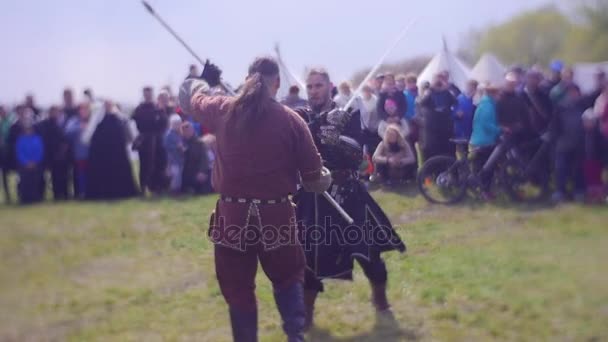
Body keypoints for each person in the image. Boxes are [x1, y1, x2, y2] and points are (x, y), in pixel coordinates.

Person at [182, 56, 329, 342]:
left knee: (238, 290)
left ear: (247, 79)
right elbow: (314, 179)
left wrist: (205, 82)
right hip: (277, 217)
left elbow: (190, 96)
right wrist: (322, 175)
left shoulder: (222, 108)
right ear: (277, 83)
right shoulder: (291, 120)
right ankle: (295, 337)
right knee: (287, 280)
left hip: (233, 218)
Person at [294, 68, 406, 331]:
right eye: (309, 86)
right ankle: (307, 312)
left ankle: (380, 300)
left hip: (347, 192)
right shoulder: (300, 118)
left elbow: (358, 156)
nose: (313, 90)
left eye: (318, 85)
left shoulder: (348, 115)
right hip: (314, 196)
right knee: (309, 257)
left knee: (369, 252)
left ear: (329, 86)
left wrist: (338, 138)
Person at [86, 101, 137, 200]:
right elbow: (90, 138)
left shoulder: (120, 119)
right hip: (102, 155)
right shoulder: (98, 120)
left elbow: (128, 136)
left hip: (118, 154)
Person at [550, 84, 587, 203]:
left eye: (575, 92)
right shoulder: (560, 107)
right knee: (561, 169)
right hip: (563, 144)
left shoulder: (583, 105)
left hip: (579, 144)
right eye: (570, 92)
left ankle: (578, 191)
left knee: (578, 169)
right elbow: (554, 126)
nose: (573, 94)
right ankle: (560, 192)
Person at [132, 86, 168, 195]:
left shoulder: (157, 108)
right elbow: (135, 124)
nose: (148, 96)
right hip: (144, 140)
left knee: (157, 164)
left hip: (157, 140)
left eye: (149, 94)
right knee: (144, 164)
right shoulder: (139, 108)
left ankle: (156, 187)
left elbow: (163, 124)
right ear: (144, 94)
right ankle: (143, 187)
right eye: (146, 94)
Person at [469, 83, 502, 198]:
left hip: (483, 139)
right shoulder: (487, 106)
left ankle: (484, 191)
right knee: (486, 169)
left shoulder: (487, 104)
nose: (500, 96)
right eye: (499, 94)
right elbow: (486, 124)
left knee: (484, 167)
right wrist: (500, 130)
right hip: (484, 141)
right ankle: (484, 192)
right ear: (493, 94)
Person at [418, 73, 457, 161]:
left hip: (446, 129)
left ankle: (448, 172)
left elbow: (455, 101)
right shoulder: (428, 92)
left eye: (441, 79)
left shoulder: (448, 92)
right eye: (437, 79)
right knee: (432, 155)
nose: (439, 82)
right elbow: (422, 102)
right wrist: (431, 89)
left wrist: (446, 88)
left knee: (447, 154)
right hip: (432, 131)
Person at [39, 105, 70, 200]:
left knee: (65, 176)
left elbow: (66, 138)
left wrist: (63, 150)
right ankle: (57, 194)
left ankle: (65, 194)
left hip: (63, 155)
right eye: (53, 112)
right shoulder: (46, 124)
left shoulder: (63, 123)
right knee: (55, 176)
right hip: (52, 154)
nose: (55, 114)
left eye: (57, 111)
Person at [15, 110, 44, 204]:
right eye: (27, 128)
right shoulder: (20, 139)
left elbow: (39, 151)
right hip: (24, 165)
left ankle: (35, 198)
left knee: (35, 182)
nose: (28, 129)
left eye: (30, 128)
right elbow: (19, 152)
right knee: (24, 182)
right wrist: (26, 162)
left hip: (35, 165)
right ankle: (24, 199)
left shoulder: (37, 138)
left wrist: (34, 162)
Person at [65, 103, 91, 199]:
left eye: (86, 109)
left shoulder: (92, 120)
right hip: (80, 154)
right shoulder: (74, 121)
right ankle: (82, 193)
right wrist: (80, 127)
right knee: (81, 175)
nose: (84, 112)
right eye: (82, 109)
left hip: (92, 154)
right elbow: (67, 132)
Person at [181, 121, 211, 195]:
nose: (187, 132)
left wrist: (202, 171)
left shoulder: (199, 143)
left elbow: (204, 159)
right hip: (185, 172)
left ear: (193, 130)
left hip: (197, 171)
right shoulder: (180, 142)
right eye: (185, 131)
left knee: (203, 188)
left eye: (189, 130)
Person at [164, 114, 185, 195]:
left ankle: (178, 190)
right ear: (171, 124)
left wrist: (183, 147)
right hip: (172, 159)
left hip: (180, 158)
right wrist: (177, 147)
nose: (177, 125)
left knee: (179, 175)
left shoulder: (179, 134)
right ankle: (173, 190)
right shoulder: (168, 134)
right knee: (175, 175)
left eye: (178, 123)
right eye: (175, 124)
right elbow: (166, 145)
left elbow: (183, 143)